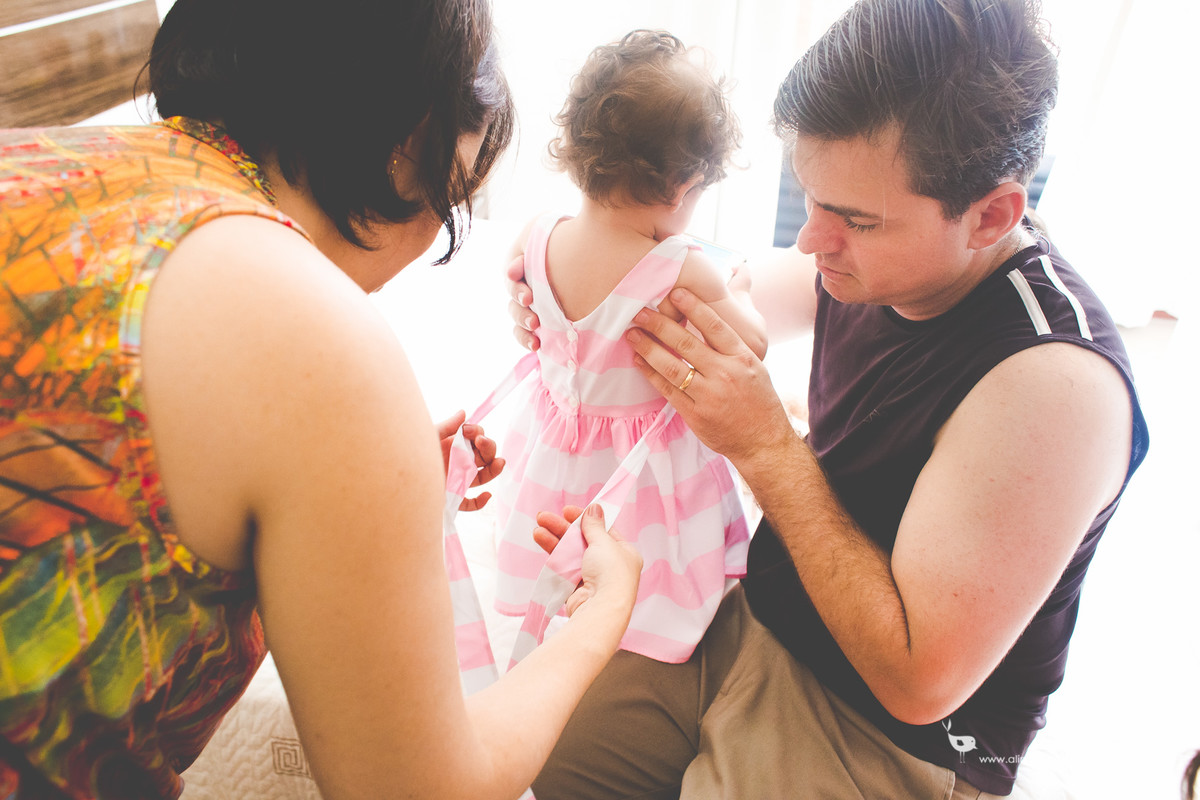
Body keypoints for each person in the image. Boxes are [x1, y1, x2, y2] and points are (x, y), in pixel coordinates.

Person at [0, 1, 642, 798]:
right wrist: (597, 619)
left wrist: (330, 498)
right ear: (410, 147)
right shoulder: (321, 342)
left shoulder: (36, 159)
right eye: (459, 193)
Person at [507, 0, 1150, 797]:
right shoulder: (883, 257)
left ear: (991, 216)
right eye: (808, 196)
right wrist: (575, 301)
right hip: (770, 608)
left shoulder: (1056, 387)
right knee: (541, 734)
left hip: (886, 729)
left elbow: (919, 680)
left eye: (853, 220)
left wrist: (766, 445)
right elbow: (723, 297)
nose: (811, 241)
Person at [489, 30, 765, 666]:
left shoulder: (535, 234)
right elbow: (749, 344)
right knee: (653, 549)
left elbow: (524, 296)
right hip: (640, 461)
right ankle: (644, 615)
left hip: (556, 445)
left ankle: (566, 598)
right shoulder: (679, 267)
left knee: (557, 532)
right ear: (681, 186)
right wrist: (740, 289)